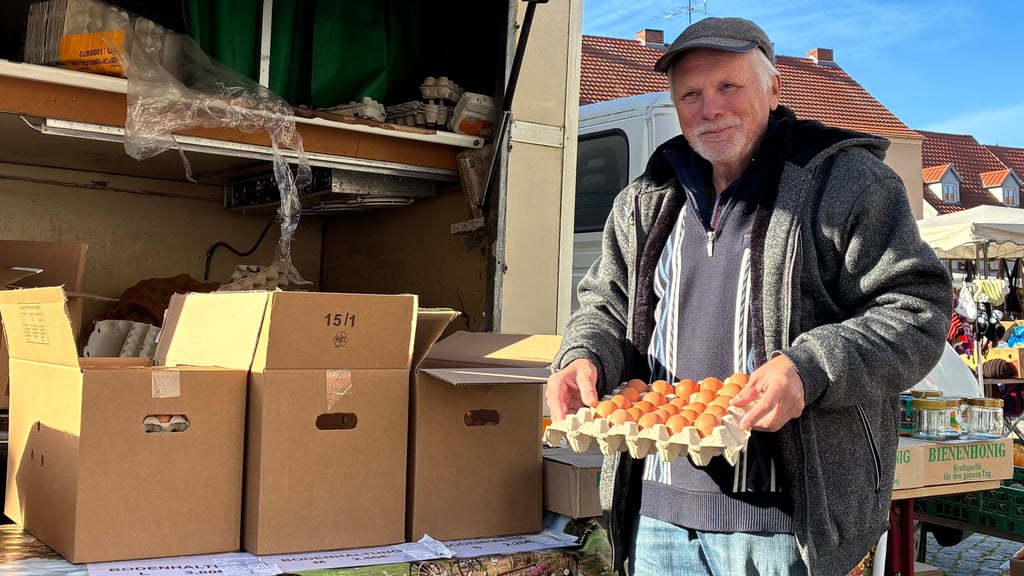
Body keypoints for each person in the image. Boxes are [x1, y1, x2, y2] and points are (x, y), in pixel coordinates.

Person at [547, 16, 951, 576]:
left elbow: (917, 310)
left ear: (774, 88)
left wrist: (809, 369)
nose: (709, 108)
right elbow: (603, 308)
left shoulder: (844, 183)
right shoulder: (644, 200)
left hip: (785, 523)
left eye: (727, 87)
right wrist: (582, 356)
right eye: (690, 94)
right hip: (656, 513)